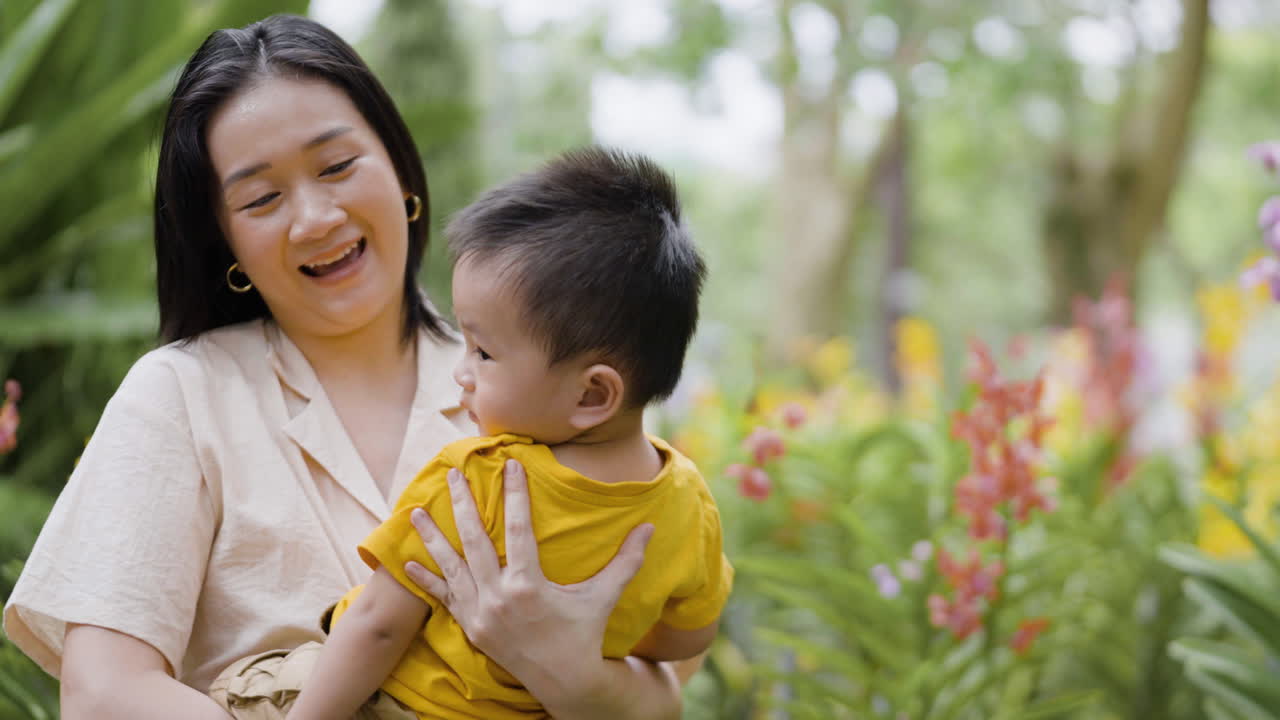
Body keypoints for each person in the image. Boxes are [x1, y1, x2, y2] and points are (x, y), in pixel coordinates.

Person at [2, 14, 694, 720]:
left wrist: (562, 667)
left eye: (337, 166)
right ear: (225, 239)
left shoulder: (553, 385)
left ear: (399, 167)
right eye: (262, 198)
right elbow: (102, 690)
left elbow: (662, 687)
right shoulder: (179, 394)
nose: (314, 218)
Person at [224, 147, 730, 720]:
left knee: (250, 684)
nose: (461, 372)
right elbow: (686, 640)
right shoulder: (690, 503)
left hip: (397, 703)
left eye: (484, 352)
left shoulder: (481, 475)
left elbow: (379, 628)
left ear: (592, 395)